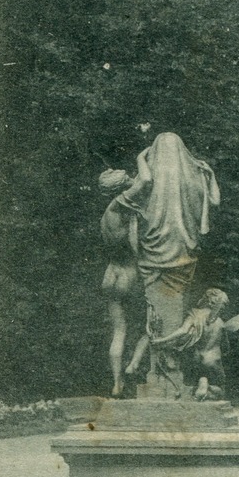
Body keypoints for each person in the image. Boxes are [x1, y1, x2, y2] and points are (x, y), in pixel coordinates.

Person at [114, 132, 220, 397]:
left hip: (152, 258)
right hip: (184, 257)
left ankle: (159, 374)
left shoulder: (148, 182)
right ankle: (167, 371)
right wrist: (209, 175)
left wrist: (141, 157)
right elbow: (215, 202)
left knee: (157, 311)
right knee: (174, 308)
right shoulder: (194, 181)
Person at [150, 288, 239, 400]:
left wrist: (162, 340)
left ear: (206, 300)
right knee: (220, 390)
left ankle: (202, 383)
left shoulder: (195, 314)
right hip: (213, 359)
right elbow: (225, 347)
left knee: (194, 383)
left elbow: (183, 330)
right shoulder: (221, 322)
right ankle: (206, 387)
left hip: (196, 357)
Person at [97, 168, 147, 396]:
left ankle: (117, 383)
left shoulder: (108, 213)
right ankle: (134, 363)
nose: (130, 178)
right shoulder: (120, 203)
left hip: (111, 273)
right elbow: (144, 180)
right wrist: (143, 156)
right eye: (126, 177)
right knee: (153, 325)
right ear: (120, 187)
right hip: (129, 273)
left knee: (119, 330)